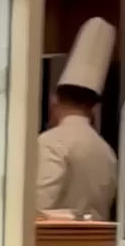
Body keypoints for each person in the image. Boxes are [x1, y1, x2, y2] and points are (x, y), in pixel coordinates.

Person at [35, 16, 118, 219]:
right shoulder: (107, 151)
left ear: (54, 102)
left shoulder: (50, 142)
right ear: (93, 108)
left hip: (54, 239)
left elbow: (38, 206)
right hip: (98, 239)